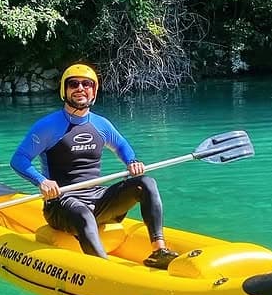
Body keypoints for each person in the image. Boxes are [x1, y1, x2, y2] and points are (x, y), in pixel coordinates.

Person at [10, 63, 179, 268]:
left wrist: (131, 161)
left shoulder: (101, 125)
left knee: (146, 182)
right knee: (83, 213)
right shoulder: (48, 126)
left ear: (94, 91)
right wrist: (42, 181)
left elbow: (121, 145)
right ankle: (104, 270)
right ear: (64, 90)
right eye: (73, 84)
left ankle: (159, 251)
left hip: (97, 197)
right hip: (61, 203)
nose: (80, 88)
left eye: (86, 84)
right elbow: (19, 159)